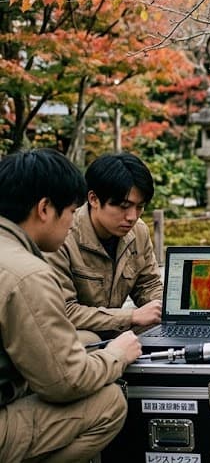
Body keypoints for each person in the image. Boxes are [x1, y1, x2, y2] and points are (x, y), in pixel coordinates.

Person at [0, 148, 142, 462]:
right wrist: (116, 355)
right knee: (109, 403)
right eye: (70, 212)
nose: (71, 224)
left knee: (89, 341)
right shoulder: (28, 273)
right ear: (44, 208)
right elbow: (66, 383)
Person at [46, 152, 162, 338]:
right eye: (124, 206)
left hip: (118, 329)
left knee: (167, 330)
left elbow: (148, 284)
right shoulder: (62, 236)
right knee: (88, 340)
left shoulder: (138, 231)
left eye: (140, 207)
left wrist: (166, 309)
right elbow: (63, 311)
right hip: (74, 333)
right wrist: (130, 316)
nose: (132, 216)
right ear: (93, 199)